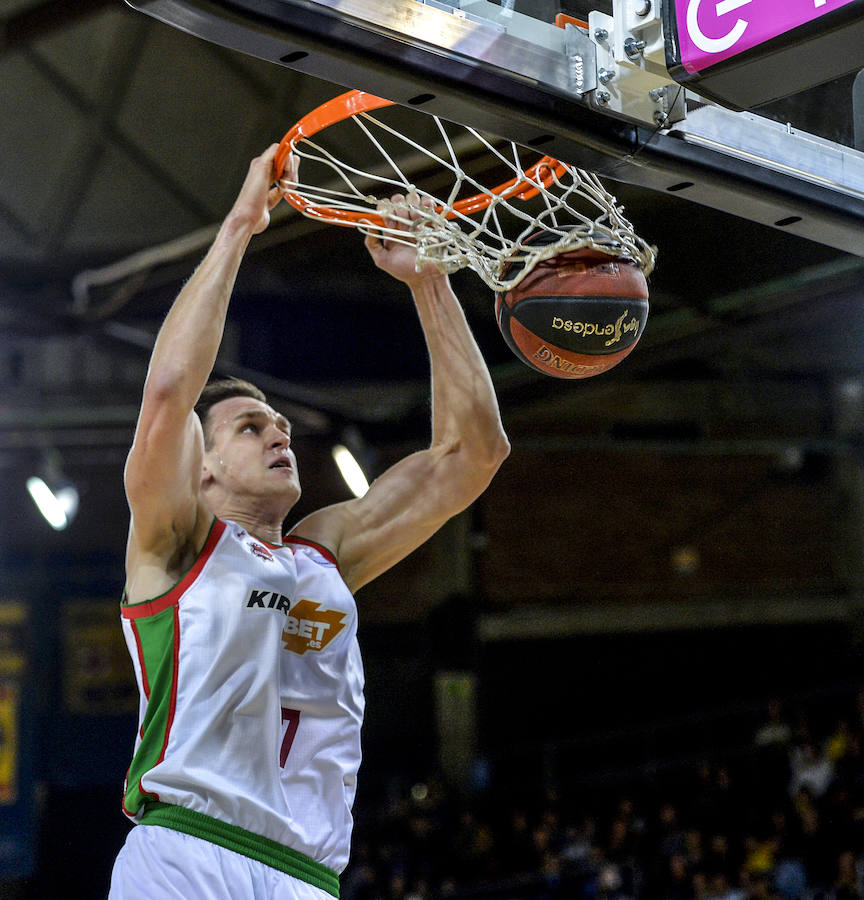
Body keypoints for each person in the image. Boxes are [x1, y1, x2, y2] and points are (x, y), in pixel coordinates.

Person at [108, 144, 510, 899]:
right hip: (188, 851)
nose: (279, 434)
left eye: (282, 425)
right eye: (250, 427)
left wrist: (429, 282)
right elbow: (167, 394)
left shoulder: (325, 554)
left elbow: (474, 454)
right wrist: (239, 226)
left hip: (307, 875)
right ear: (201, 467)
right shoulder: (177, 542)